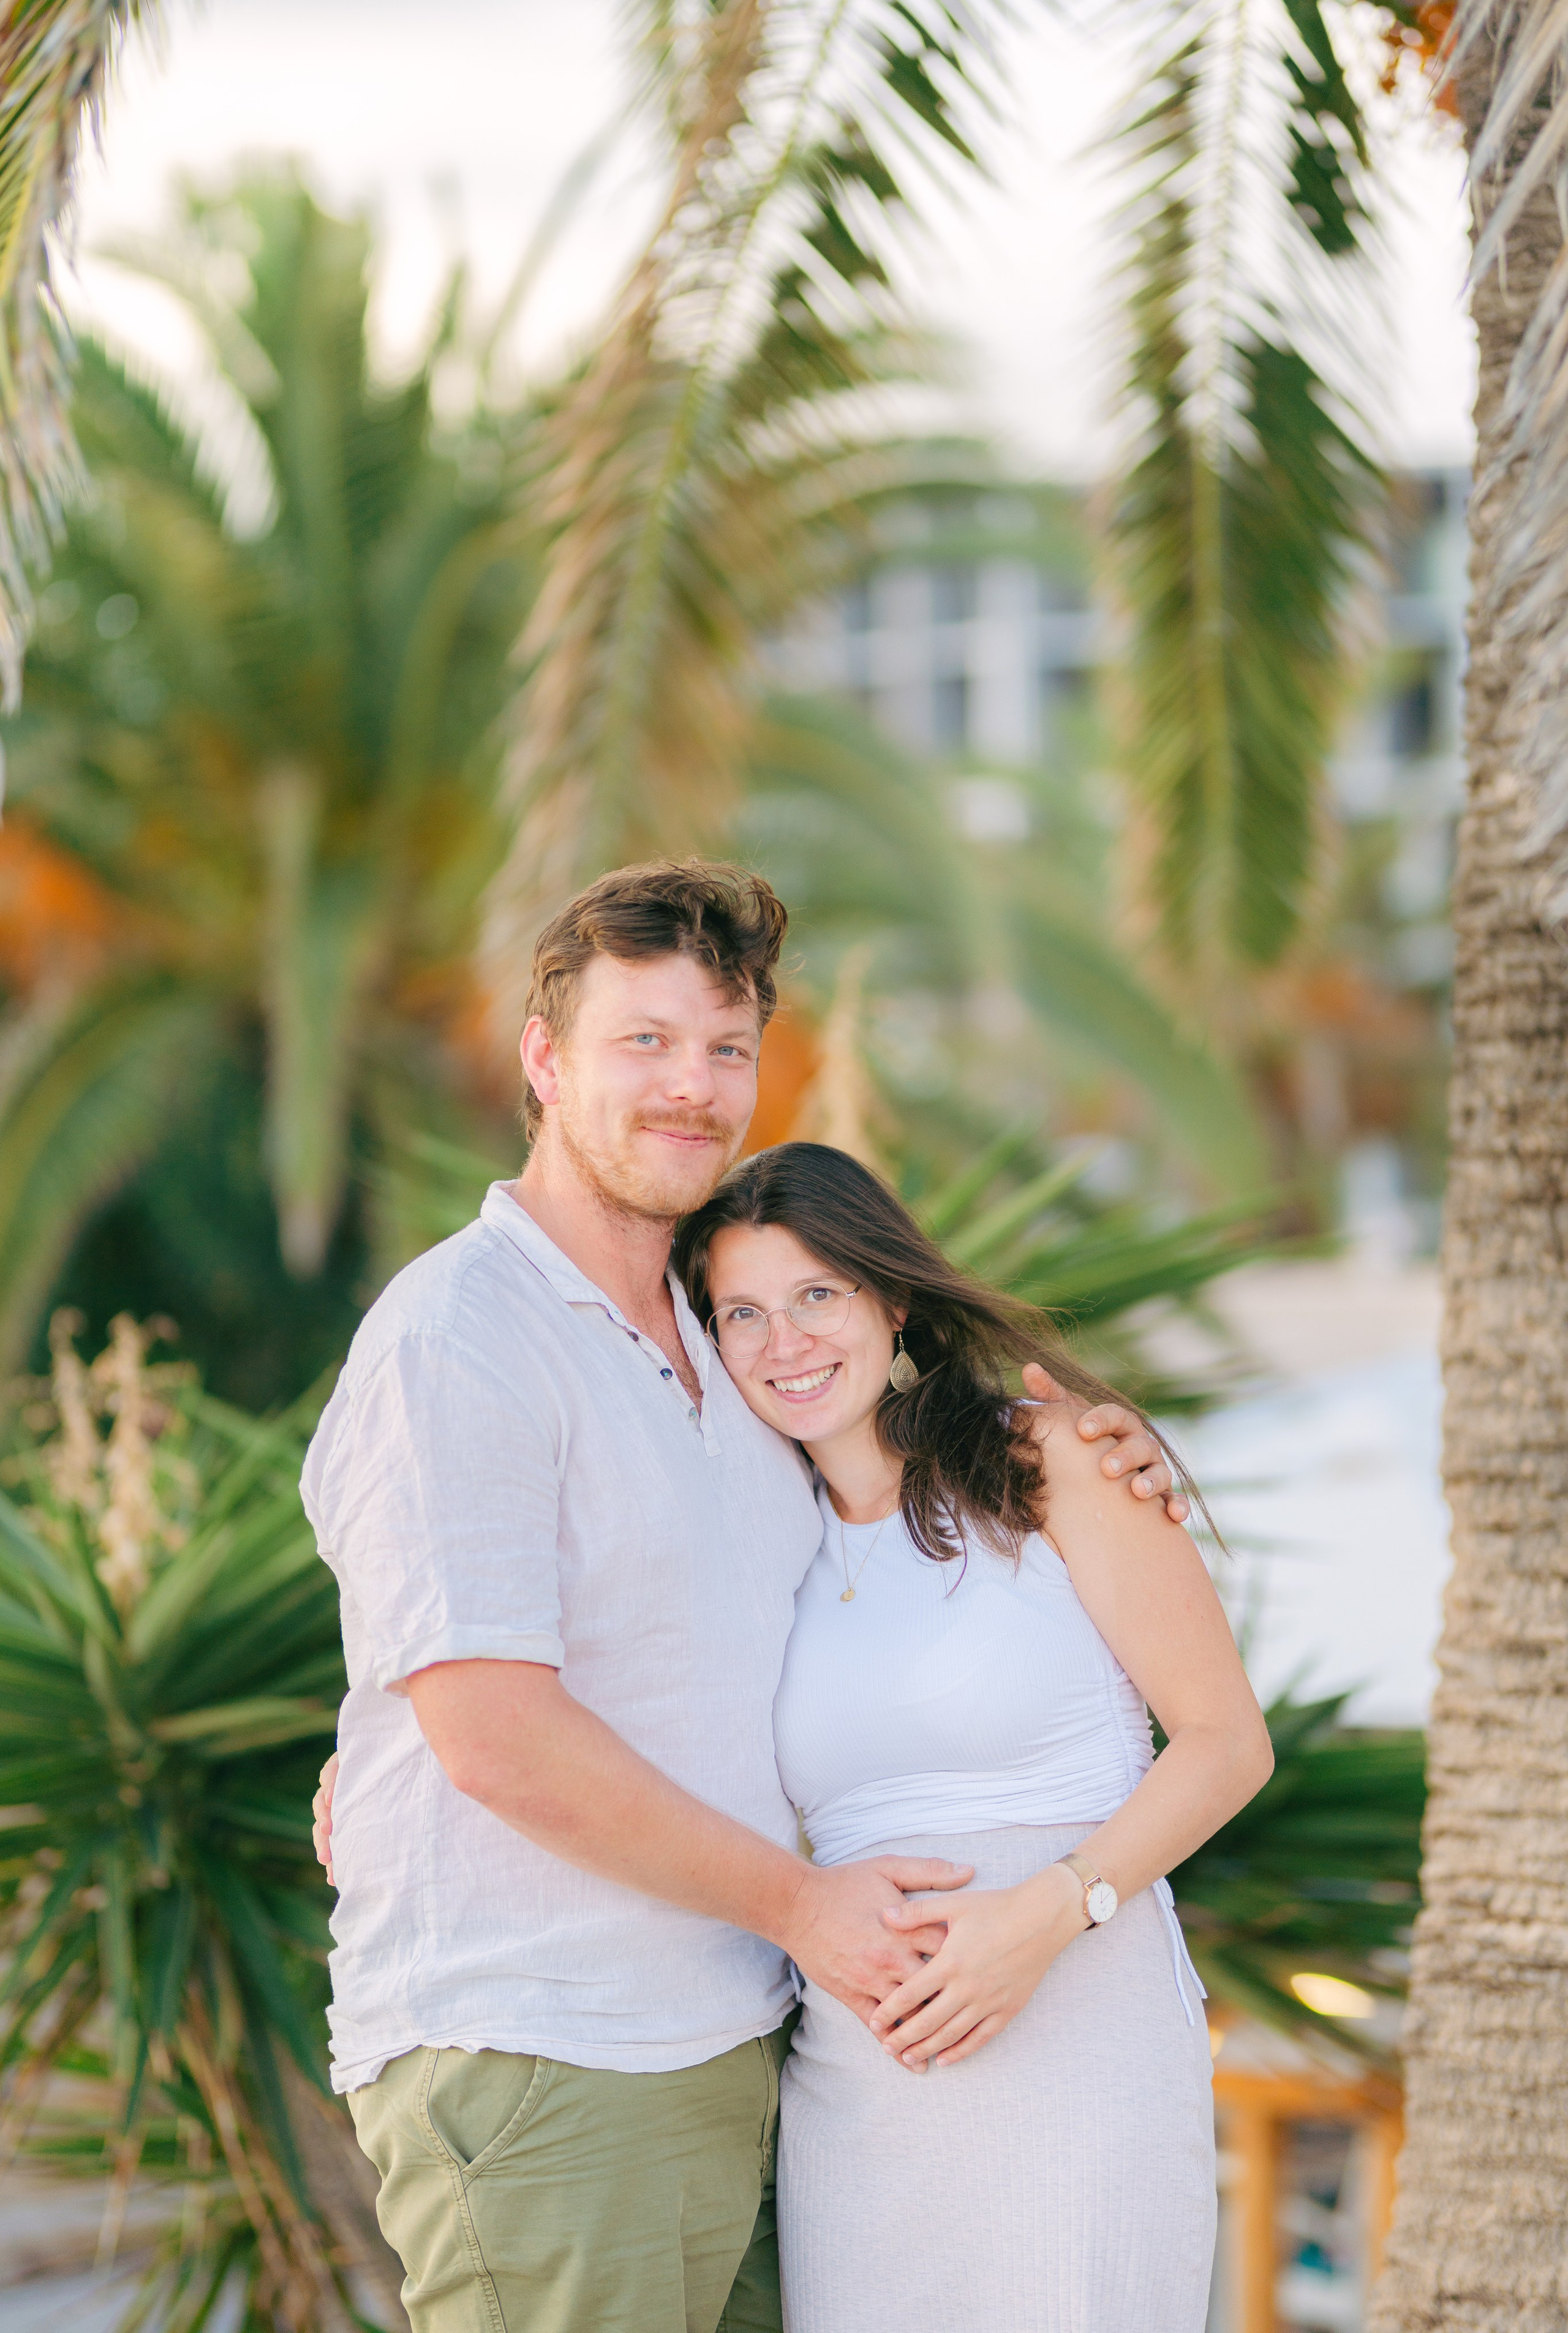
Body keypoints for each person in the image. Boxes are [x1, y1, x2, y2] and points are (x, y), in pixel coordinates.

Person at [304, 857, 1200, 2333]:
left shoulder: (721, 1350)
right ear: (544, 1060)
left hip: (750, 2044)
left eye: (726, 1048)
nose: (692, 1085)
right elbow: (491, 1733)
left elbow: (793, 1618)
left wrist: (1096, 1448)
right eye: (643, 1040)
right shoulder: (460, 1336)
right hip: (547, 2049)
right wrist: (799, 1907)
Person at [673, 1139, 1274, 2333]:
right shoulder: (748, 1545)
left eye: (817, 1294)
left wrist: (1045, 1917)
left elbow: (1224, 1744)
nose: (784, 1342)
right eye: (742, 1313)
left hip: (1079, 2046)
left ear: (891, 1299)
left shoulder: (1049, 1459)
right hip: (863, 2088)